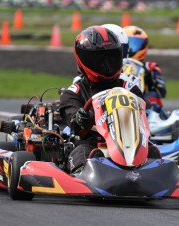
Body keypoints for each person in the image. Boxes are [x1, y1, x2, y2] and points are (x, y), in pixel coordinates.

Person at [59, 25, 144, 174]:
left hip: (131, 144)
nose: (107, 66)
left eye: (111, 58)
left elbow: (143, 115)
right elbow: (73, 121)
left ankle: (142, 169)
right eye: (99, 60)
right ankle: (87, 173)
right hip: (92, 144)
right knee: (82, 154)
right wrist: (80, 119)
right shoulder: (73, 93)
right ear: (84, 60)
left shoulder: (130, 87)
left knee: (153, 152)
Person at [122, 25, 168, 119]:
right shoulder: (113, 66)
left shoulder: (149, 67)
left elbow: (162, 92)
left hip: (144, 102)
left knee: (153, 95)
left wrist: (150, 74)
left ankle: (152, 119)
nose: (130, 48)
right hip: (120, 97)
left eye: (134, 44)